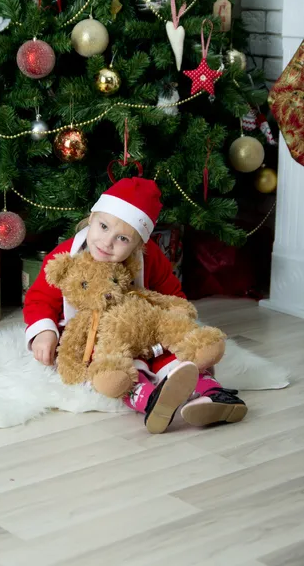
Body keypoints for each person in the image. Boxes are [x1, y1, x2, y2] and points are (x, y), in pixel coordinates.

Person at [23, 177, 247, 434]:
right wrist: (44, 331)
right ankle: (149, 398)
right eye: (103, 227)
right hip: (96, 334)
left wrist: (176, 325)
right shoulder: (67, 256)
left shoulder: (149, 259)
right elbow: (38, 298)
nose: (107, 242)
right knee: (110, 365)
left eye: (122, 239)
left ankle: (211, 393)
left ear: (139, 244)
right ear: (91, 218)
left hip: (142, 329)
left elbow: (171, 292)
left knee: (172, 352)